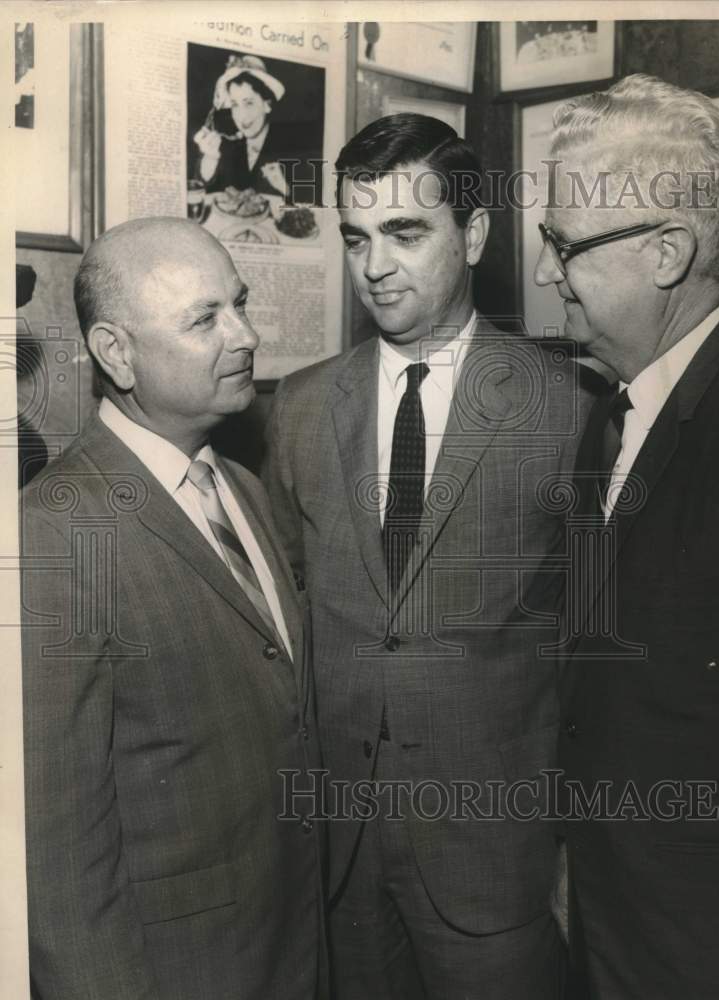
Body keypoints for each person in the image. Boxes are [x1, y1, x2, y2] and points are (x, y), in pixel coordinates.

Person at [263, 113, 585, 999]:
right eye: (357, 237)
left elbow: (596, 654)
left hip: (496, 860)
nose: (375, 267)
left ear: (473, 235)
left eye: (406, 234)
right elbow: (284, 613)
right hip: (340, 853)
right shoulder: (298, 408)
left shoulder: (566, 410)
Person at [533, 74, 719, 998]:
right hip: (611, 923)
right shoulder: (608, 414)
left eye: (561, 244)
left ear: (667, 253)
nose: (542, 273)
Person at [20, 218, 326, 1000]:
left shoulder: (243, 489)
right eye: (204, 320)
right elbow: (55, 851)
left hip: (290, 945)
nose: (247, 336)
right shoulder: (53, 531)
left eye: (241, 304)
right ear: (115, 354)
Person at [193, 54, 291, 199]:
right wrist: (210, 158)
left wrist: (287, 190)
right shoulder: (226, 145)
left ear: (267, 105)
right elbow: (201, 191)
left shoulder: (291, 148)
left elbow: (311, 207)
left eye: (249, 103)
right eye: (235, 105)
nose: (241, 116)